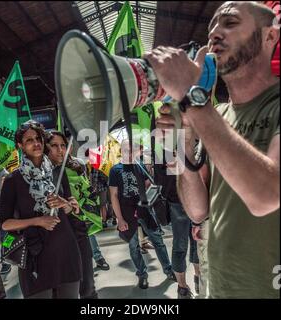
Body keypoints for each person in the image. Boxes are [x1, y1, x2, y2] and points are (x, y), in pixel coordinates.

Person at [146, 1, 280, 298]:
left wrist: (193, 102)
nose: (215, 34)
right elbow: (197, 211)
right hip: (220, 287)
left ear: (270, 37)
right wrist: (185, 138)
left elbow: (267, 195)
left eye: (230, 23)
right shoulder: (216, 117)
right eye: (212, 27)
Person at [0, 120, 82, 298]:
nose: (36, 143)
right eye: (29, 140)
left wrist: (65, 204)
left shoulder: (57, 172)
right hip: (35, 255)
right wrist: (38, 221)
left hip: (65, 251)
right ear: (20, 145)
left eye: (38, 138)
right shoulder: (13, 180)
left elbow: (70, 210)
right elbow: (5, 224)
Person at [109, 139, 175, 289]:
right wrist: (119, 219)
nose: (130, 152)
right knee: (134, 246)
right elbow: (113, 195)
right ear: (122, 150)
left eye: (132, 149)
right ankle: (142, 274)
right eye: (126, 149)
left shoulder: (140, 167)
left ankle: (169, 269)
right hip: (126, 213)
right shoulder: (115, 170)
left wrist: (152, 179)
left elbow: (148, 184)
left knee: (158, 241)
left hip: (144, 210)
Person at [45, 130, 99, 298]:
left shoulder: (77, 168)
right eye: (54, 145)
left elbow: (92, 201)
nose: (60, 150)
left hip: (78, 234)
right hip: (52, 239)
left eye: (63, 145)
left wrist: (75, 209)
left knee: (87, 286)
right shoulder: (39, 174)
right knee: (59, 288)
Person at [154, 155, 199, 299]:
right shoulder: (165, 142)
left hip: (195, 198)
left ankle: (198, 278)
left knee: (197, 241)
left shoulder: (190, 139)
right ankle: (183, 287)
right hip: (177, 200)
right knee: (181, 244)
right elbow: (161, 176)